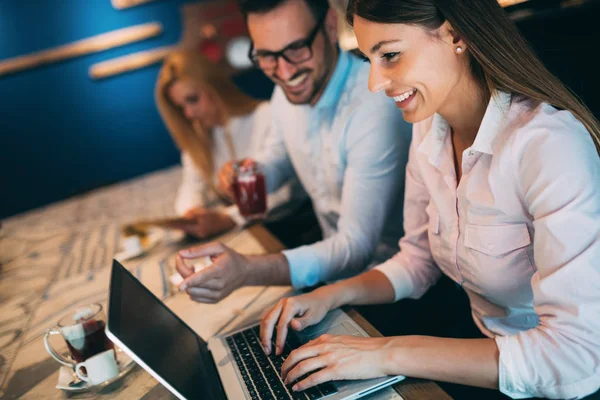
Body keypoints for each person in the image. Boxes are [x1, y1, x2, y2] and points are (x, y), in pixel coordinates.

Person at [258, 0, 600, 399]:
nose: (374, 83)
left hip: (549, 377)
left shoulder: (548, 147)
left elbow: (576, 355)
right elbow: (418, 260)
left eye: (390, 55)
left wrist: (385, 353)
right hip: (477, 351)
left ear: (456, 35)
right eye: (369, 59)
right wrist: (328, 295)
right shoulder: (428, 129)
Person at [174, 0, 412, 303]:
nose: (284, 72)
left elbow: (355, 247)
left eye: (297, 48)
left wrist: (247, 270)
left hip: (393, 290)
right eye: (266, 56)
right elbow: (277, 160)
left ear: (328, 25)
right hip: (332, 279)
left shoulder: (373, 105)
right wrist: (247, 173)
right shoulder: (284, 97)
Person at [155, 49, 305, 239]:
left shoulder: (266, 116)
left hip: (291, 228)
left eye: (193, 100)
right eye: (181, 107)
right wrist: (192, 214)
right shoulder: (201, 137)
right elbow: (190, 188)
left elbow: (288, 191)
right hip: (250, 233)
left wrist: (229, 217)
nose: (189, 114)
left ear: (214, 86)